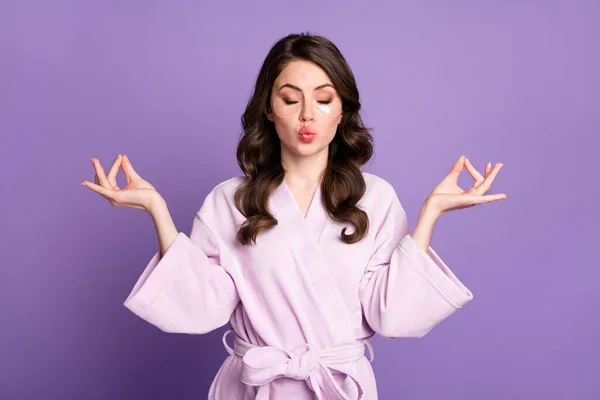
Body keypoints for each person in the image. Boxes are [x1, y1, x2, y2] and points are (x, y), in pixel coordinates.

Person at [82, 32, 506, 400]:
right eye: (290, 98)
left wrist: (430, 214)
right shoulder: (230, 201)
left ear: (342, 111)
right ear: (268, 108)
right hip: (256, 387)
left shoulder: (374, 198)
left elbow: (391, 314)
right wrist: (157, 210)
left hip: (337, 386)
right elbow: (201, 308)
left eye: (323, 100)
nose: (307, 115)